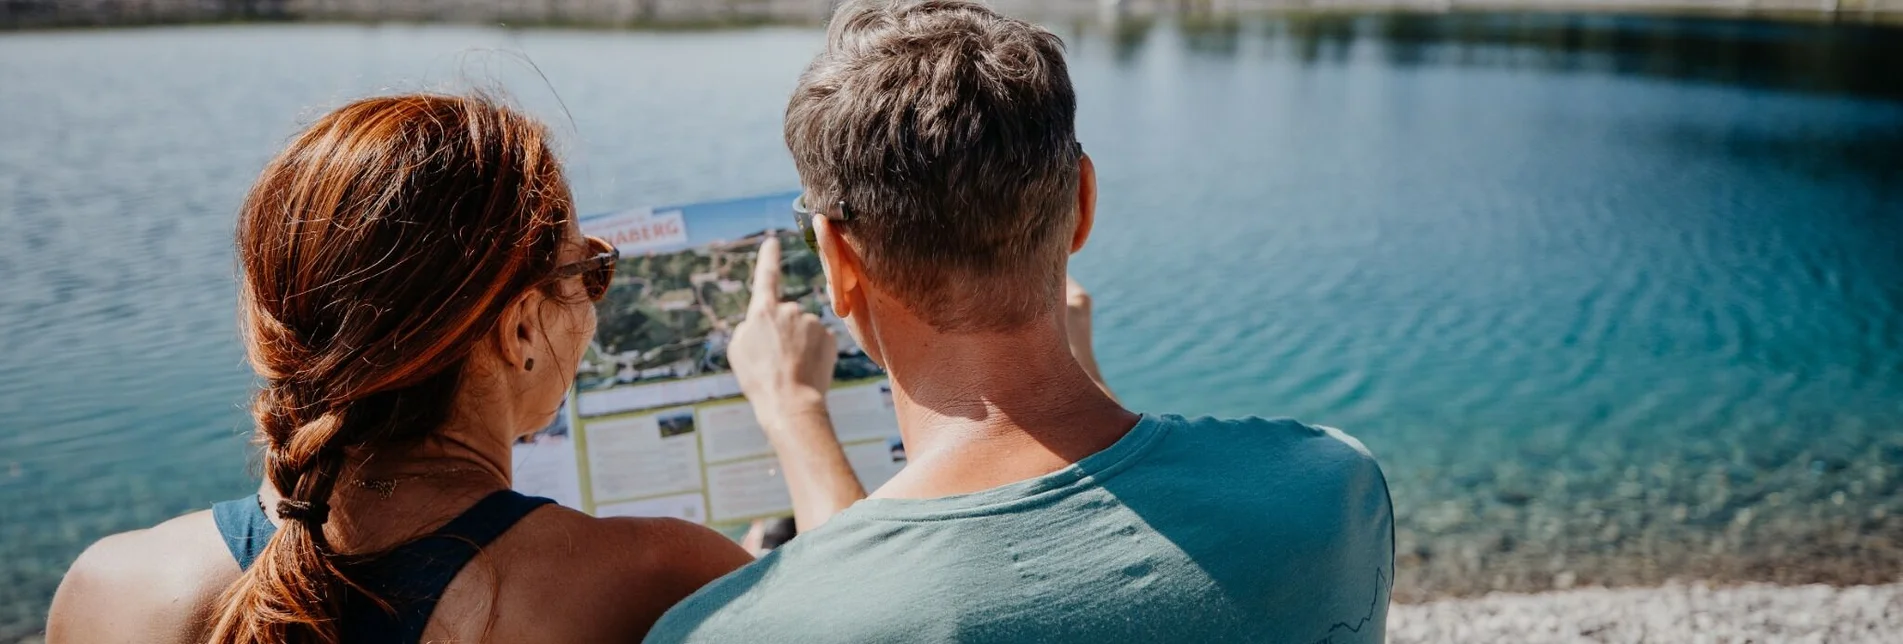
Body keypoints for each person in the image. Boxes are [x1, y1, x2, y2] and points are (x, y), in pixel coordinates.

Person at [645, 1, 1396, 642]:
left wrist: (794, 410)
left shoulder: (728, 630)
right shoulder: (1335, 490)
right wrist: (1087, 381)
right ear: (1083, 204)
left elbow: (869, 596)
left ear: (839, 262)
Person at [45, 94, 760, 643]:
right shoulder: (665, 582)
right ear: (518, 327)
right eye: (591, 270)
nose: (594, 301)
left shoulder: (111, 589)